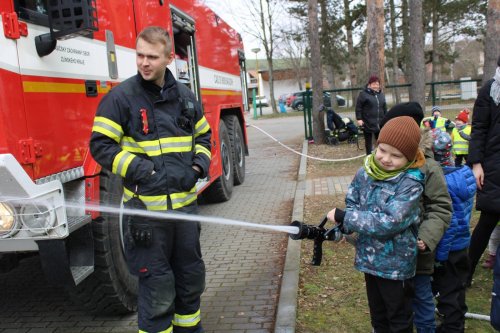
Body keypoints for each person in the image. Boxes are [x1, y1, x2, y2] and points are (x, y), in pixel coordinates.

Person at [89, 26, 211, 333]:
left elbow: (205, 137)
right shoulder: (120, 98)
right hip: (146, 218)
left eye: (152, 57)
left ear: (169, 58)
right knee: (157, 291)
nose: (144, 62)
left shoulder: (185, 97)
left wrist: (196, 169)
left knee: (189, 282)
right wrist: (142, 171)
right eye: (140, 55)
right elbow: (101, 146)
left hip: (184, 213)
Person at [327, 116, 425, 332]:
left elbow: (390, 222)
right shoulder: (365, 172)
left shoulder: (410, 184)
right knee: (378, 318)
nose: (386, 159)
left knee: (398, 320)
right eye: (383, 150)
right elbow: (352, 203)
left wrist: (346, 218)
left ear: (409, 158)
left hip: (395, 267)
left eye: (396, 155)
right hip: (369, 261)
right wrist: (344, 227)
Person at [381, 102, 452, 333]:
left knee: (421, 300)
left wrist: (426, 237)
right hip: (386, 258)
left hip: (416, 257)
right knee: (394, 305)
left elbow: (440, 207)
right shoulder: (380, 165)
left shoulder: (428, 168)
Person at [428, 128, 476, 333]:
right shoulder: (465, 174)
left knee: (447, 290)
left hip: (447, 247)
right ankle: (457, 323)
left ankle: (452, 328)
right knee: (457, 288)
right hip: (463, 243)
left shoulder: (440, 182)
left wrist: (440, 254)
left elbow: (449, 224)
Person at [466, 55, 500, 287]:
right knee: (488, 220)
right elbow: (478, 128)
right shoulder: (490, 90)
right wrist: (476, 164)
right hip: (495, 165)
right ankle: (465, 272)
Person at [355, 75, 387, 155]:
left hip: (380, 122)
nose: (376, 86)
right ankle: (368, 156)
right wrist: (359, 119)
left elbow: (384, 108)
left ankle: (381, 155)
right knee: (368, 142)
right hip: (367, 122)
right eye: (373, 84)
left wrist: (386, 118)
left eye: (377, 84)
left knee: (381, 140)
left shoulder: (381, 95)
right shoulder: (363, 94)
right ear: (369, 85)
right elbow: (358, 107)